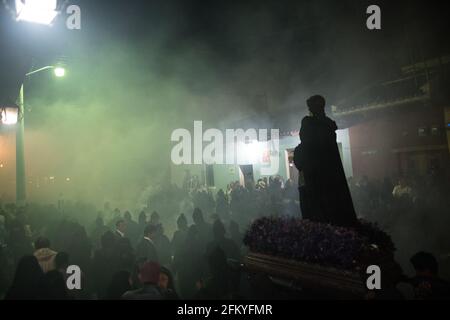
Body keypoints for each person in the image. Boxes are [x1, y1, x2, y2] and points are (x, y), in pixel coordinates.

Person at [293, 95, 357, 227]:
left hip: (315, 178)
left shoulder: (308, 123)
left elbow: (303, 152)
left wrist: (299, 153)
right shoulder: (328, 125)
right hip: (332, 176)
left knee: (316, 213)